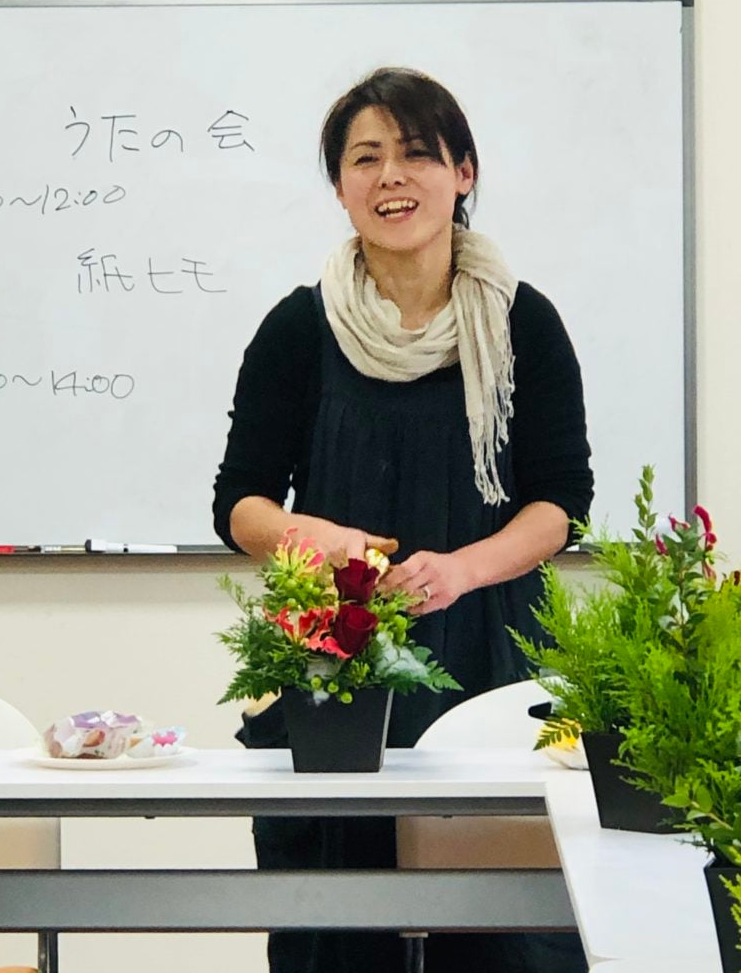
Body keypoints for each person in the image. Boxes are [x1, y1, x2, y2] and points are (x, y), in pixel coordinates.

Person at [213, 67, 593, 973]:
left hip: (494, 664)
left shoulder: (523, 324)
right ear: (340, 186)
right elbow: (240, 501)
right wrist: (317, 541)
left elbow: (561, 505)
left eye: (417, 153)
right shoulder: (299, 328)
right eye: (366, 158)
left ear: (463, 173)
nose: (391, 176)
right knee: (337, 936)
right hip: (335, 672)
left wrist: (462, 569)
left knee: (508, 942)